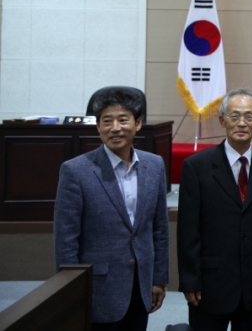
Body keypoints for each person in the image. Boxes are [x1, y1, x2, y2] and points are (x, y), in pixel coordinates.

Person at [54, 87, 168, 330]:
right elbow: (66, 239)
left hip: (141, 286)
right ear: (98, 126)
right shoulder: (76, 171)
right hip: (98, 289)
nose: (115, 127)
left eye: (123, 119)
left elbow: (159, 228)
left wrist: (159, 279)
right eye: (107, 121)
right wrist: (71, 290)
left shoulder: (154, 165)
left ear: (138, 124)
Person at [177, 88, 252, 331]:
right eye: (234, 116)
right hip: (209, 282)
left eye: (249, 116)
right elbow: (188, 229)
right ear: (222, 119)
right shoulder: (197, 166)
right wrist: (190, 280)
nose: (241, 123)